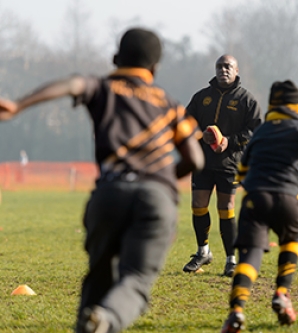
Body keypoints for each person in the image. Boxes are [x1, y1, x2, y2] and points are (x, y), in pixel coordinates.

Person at [0, 28, 204, 333]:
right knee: (135, 280)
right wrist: (161, 181)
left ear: (115, 58)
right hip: (154, 197)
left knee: (97, 278)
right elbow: (196, 160)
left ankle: (92, 319)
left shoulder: (104, 87)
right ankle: (106, 319)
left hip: (109, 194)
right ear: (155, 68)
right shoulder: (169, 104)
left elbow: (71, 84)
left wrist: (19, 105)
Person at [220, 80, 298, 333]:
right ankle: (282, 293)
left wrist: (249, 182)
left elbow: (242, 169)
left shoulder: (261, 133)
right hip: (287, 199)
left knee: (250, 254)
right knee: (290, 242)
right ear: (297, 106)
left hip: (255, 198)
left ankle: (237, 312)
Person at [183, 54, 262, 277]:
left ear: (237, 71)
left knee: (226, 209)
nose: (223, 70)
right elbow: (187, 125)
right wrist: (201, 136)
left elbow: (255, 130)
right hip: (203, 162)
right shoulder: (201, 97)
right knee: (198, 205)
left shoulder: (247, 100)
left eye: (228, 66)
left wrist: (229, 141)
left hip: (230, 163)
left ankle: (231, 260)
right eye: (219, 66)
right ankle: (203, 252)